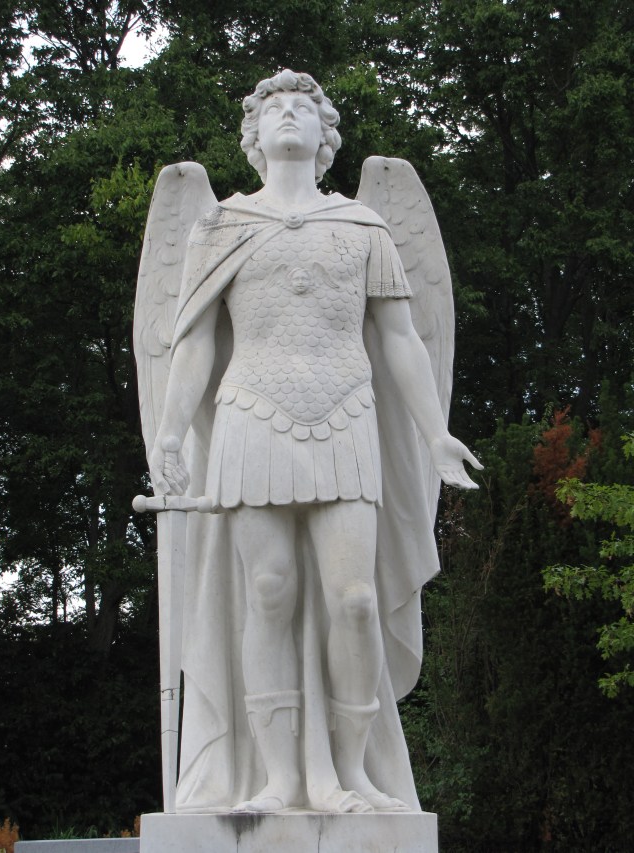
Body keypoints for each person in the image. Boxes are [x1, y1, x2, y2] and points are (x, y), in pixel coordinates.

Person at [149, 69, 481, 815]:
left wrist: (435, 434)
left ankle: (353, 773)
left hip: (345, 416)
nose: (289, 116)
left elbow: (401, 337)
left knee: (355, 598)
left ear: (325, 137)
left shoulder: (364, 226)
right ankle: (277, 778)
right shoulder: (221, 225)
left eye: (304, 107)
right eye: (275, 109)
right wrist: (170, 432)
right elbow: (194, 342)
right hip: (250, 417)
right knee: (268, 593)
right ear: (255, 137)